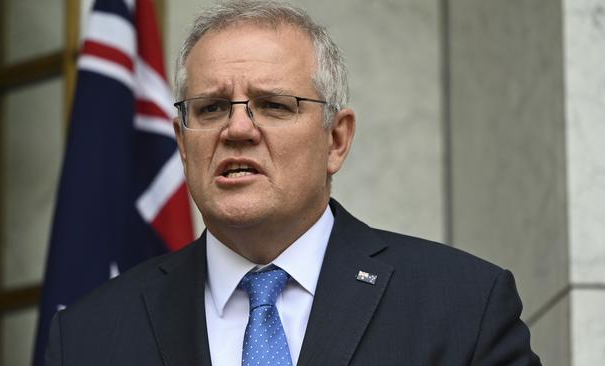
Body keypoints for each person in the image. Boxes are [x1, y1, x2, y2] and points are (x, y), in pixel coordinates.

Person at [45, 1, 541, 365]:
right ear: (181, 140)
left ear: (336, 140)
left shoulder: (462, 306)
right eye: (212, 108)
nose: (237, 129)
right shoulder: (90, 337)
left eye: (274, 105)